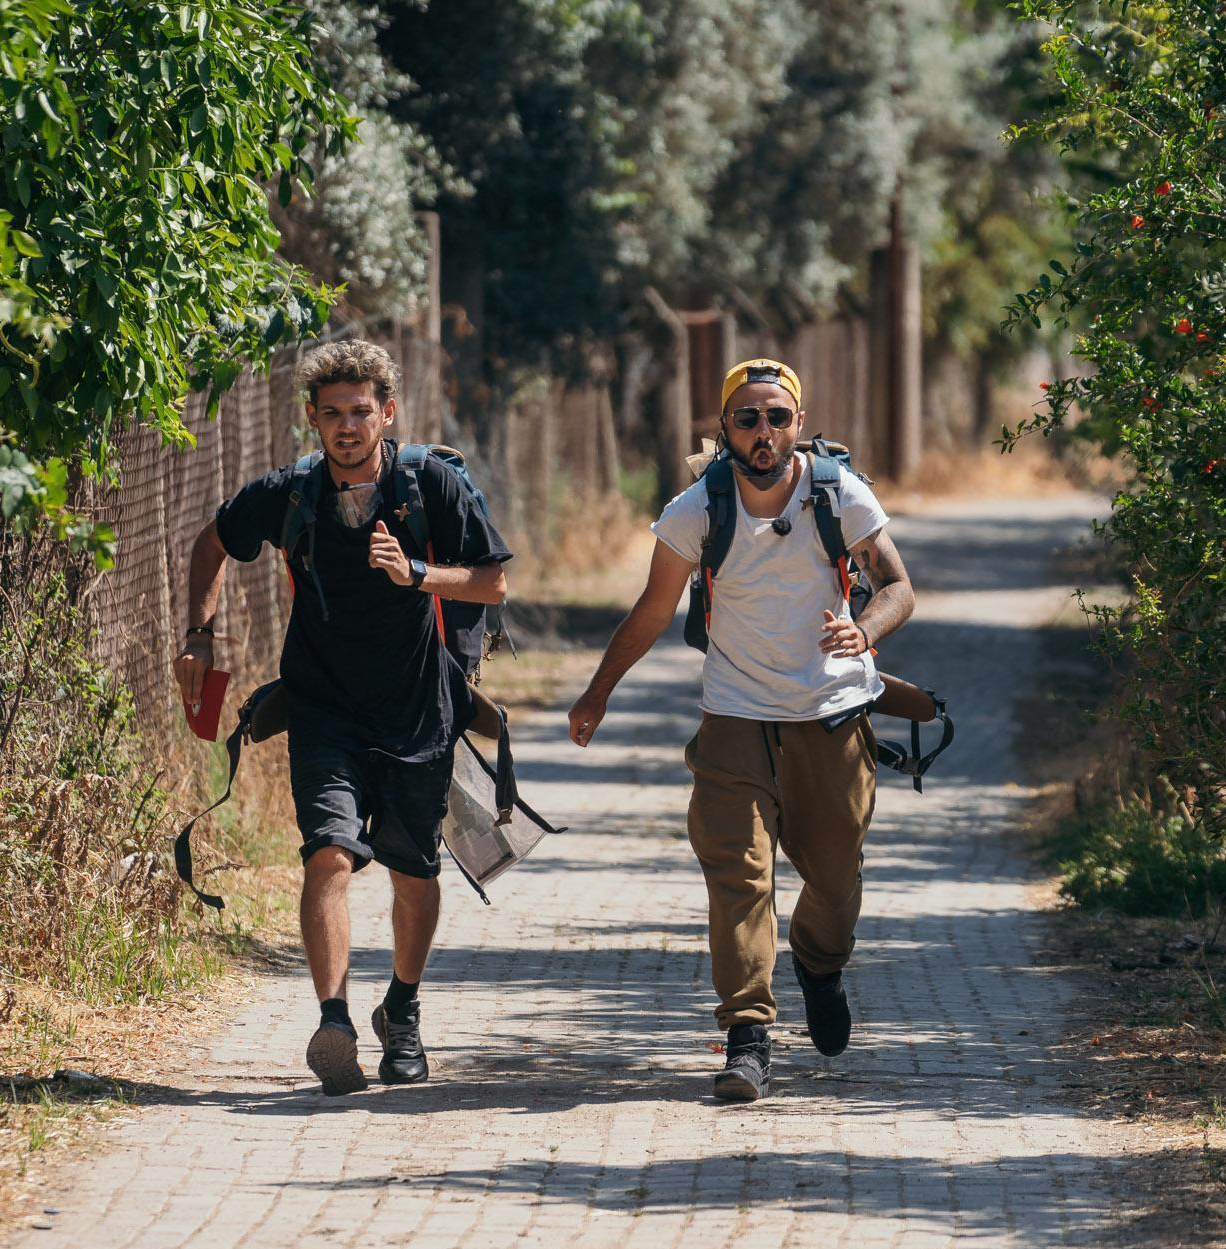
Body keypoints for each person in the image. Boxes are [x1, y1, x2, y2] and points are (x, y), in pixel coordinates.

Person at [566, 358, 915, 1101]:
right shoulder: (698, 508)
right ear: (724, 428)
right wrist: (597, 693)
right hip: (734, 718)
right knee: (738, 876)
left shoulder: (837, 493)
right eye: (747, 418)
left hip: (830, 715)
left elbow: (897, 585)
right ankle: (747, 1034)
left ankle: (819, 963)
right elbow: (654, 610)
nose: (763, 432)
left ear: (797, 423)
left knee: (834, 878)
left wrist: (863, 627)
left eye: (777, 417)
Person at [173, 340, 511, 1095]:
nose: (349, 426)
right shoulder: (291, 492)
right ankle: (334, 1021)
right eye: (333, 414)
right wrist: (199, 632)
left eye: (362, 411)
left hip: (419, 708)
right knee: (328, 854)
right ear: (313, 421)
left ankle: (404, 1009)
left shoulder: (431, 486)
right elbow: (211, 544)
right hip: (324, 708)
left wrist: (418, 572)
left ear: (387, 413)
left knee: (412, 871)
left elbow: (491, 583)